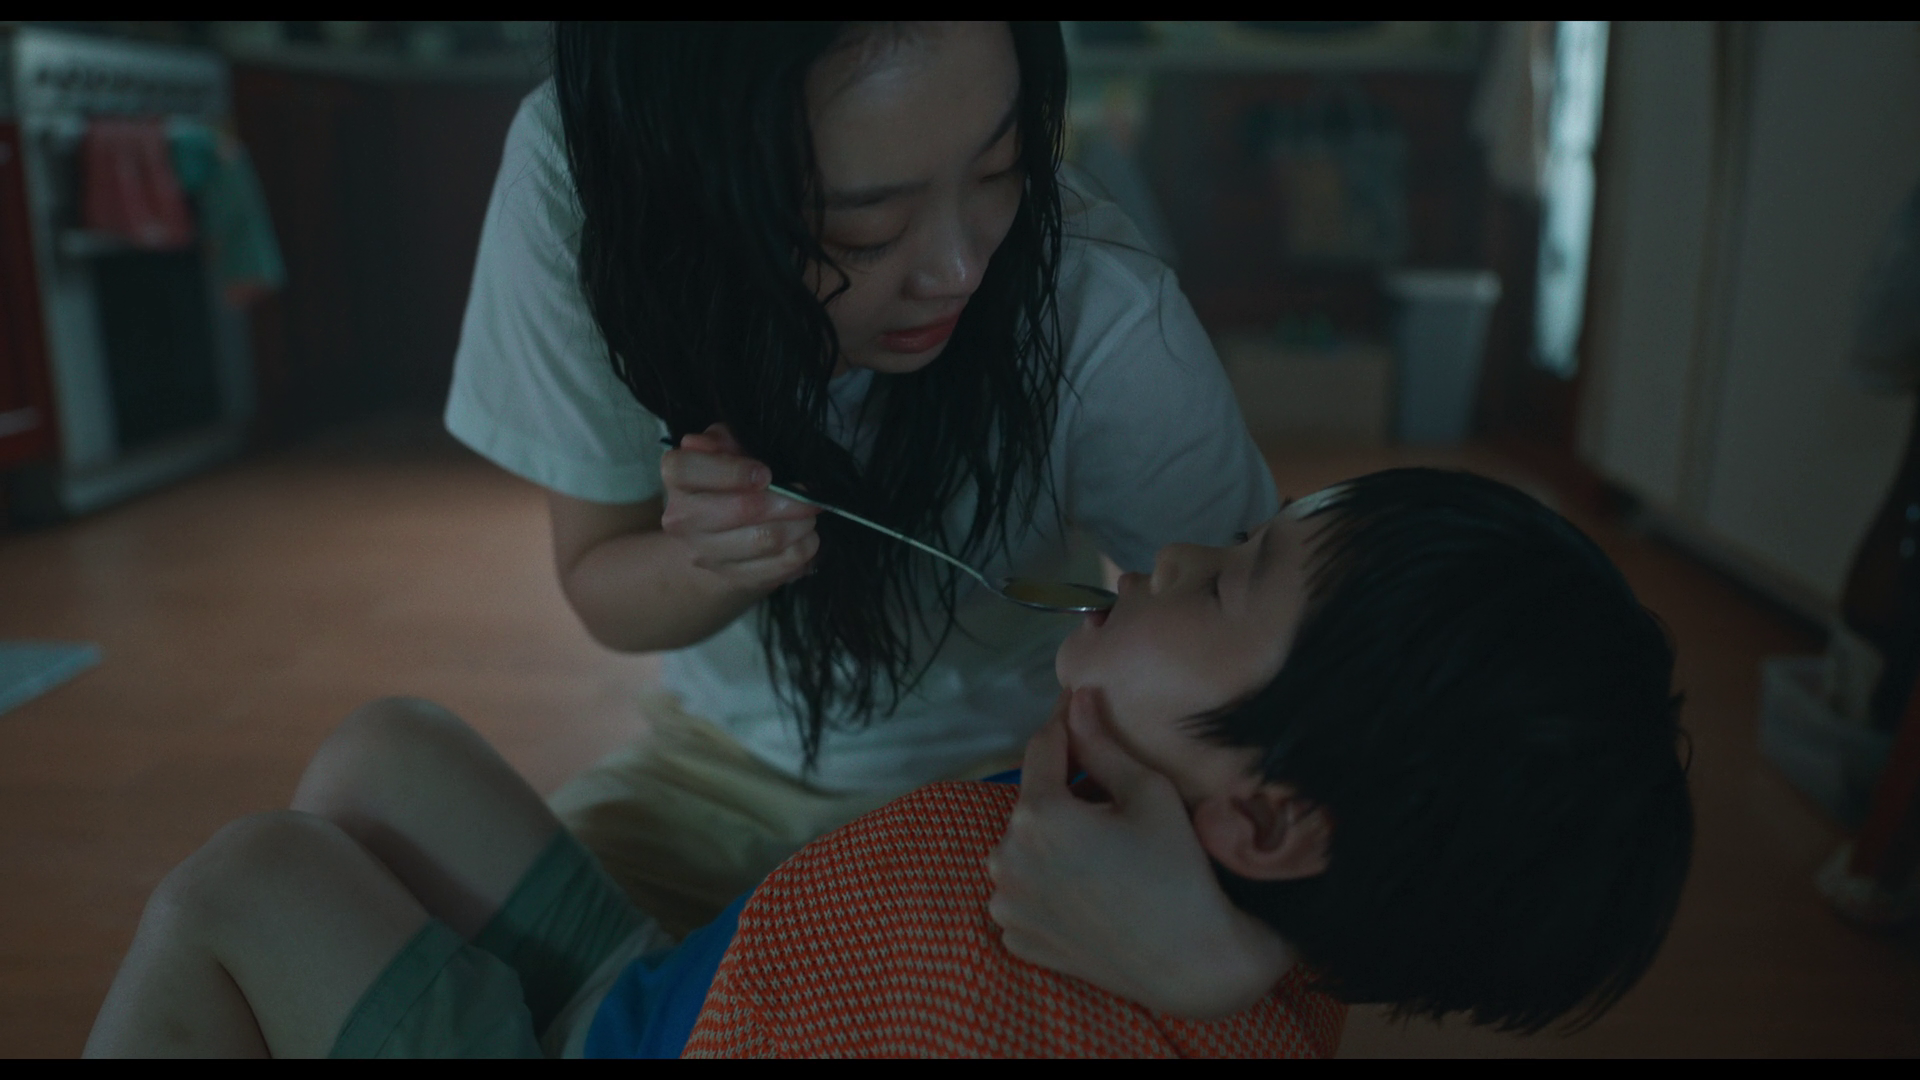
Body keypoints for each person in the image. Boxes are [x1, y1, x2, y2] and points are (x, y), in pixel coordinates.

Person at [85, 469, 1694, 1057]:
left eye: (1230, 584)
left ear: (1270, 816)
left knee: (248, 883)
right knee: (391, 747)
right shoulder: (1215, 859)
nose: (1182, 553)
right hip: (673, 1000)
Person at [447, 20, 1280, 995]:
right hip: (706, 776)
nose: (960, 270)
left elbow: (1287, 691)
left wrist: (1233, 951)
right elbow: (602, 578)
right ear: (691, 191)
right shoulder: (586, 177)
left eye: (1002, 165)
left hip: (1008, 782)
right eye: (867, 226)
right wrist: (712, 559)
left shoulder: (1100, 306)